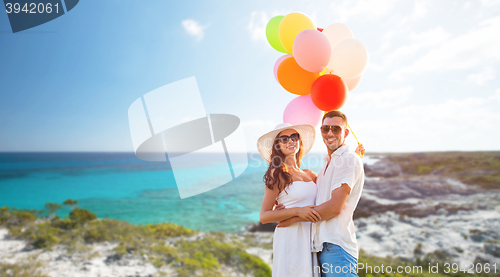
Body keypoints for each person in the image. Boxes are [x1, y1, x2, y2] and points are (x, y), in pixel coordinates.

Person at [277, 111, 365, 277]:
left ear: (345, 133)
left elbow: (334, 207)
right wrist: (284, 207)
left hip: (337, 246)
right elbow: (309, 194)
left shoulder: (347, 159)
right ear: (321, 131)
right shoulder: (328, 165)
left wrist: (294, 218)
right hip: (321, 247)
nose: (330, 133)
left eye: (336, 129)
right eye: (325, 129)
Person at [257, 122, 320, 277]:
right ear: (277, 146)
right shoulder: (276, 174)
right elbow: (264, 216)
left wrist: (355, 157)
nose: (290, 141)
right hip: (291, 238)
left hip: (312, 236)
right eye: (284, 139)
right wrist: (297, 211)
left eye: (294, 137)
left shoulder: (310, 174)